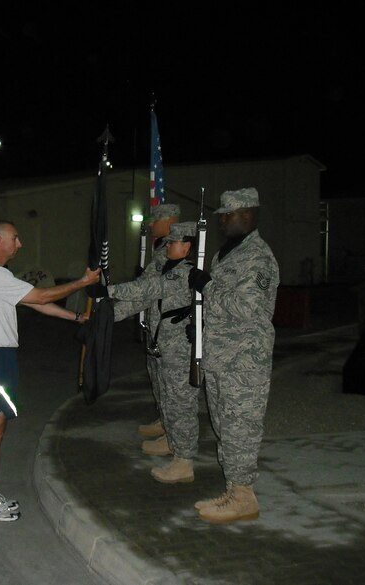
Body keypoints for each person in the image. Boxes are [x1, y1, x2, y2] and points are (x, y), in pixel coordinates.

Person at [0, 220, 99, 521]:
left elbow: (36, 304)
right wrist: (82, 282)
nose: (19, 244)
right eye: (15, 238)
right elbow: (41, 296)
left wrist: (76, 317)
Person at [188, 187, 280, 524]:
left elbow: (246, 307)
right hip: (220, 358)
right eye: (222, 215)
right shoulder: (225, 254)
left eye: (228, 215)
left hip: (244, 362)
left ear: (248, 214)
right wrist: (199, 328)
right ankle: (233, 490)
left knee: (240, 428)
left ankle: (244, 498)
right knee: (224, 427)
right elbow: (219, 307)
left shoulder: (258, 257)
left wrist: (207, 286)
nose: (222, 221)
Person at [92, 222, 198, 483]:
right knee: (168, 399)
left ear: (186, 247)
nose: (167, 246)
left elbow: (148, 289)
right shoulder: (168, 270)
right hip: (164, 347)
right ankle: (173, 443)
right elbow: (142, 301)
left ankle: (184, 461)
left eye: (173, 242)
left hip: (179, 351)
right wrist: (105, 317)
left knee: (181, 404)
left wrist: (109, 290)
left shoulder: (185, 273)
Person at [135, 203, 181, 452]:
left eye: (155, 220)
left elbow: (148, 288)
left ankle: (173, 435)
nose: (151, 225)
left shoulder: (175, 248)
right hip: (157, 326)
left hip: (170, 331)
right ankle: (165, 421)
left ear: (169, 220)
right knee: (158, 379)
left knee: (171, 386)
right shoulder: (162, 247)